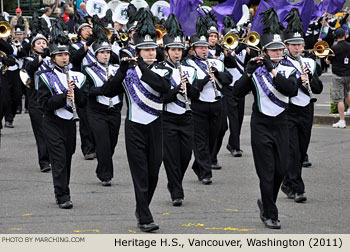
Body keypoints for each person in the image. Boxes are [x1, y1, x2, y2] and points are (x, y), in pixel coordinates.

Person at [102, 10, 171, 232]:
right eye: (146, 50)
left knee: (153, 172)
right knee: (140, 173)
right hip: (134, 127)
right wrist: (122, 70)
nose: (150, 52)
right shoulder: (127, 71)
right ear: (138, 51)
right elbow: (109, 91)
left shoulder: (163, 69)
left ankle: (143, 208)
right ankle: (144, 215)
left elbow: (162, 87)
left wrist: (140, 66)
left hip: (156, 126)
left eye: (152, 49)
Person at [233, 8, 299, 229]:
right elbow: (236, 92)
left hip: (282, 123)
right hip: (261, 124)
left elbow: (290, 90)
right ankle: (270, 213)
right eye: (273, 50)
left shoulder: (290, 69)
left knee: (281, 169)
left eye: (280, 49)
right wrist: (249, 72)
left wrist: (273, 71)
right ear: (264, 51)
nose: (278, 52)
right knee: (267, 171)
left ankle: (267, 200)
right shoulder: (257, 71)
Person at [37, 23, 86, 209]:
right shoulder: (45, 77)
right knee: (58, 159)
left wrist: (76, 92)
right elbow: (44, 104)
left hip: (69, 123)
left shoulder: (77, 76)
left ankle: (64, 189)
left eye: (65, 54)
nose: (64, 58)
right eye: (60, 55)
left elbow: (83, 103)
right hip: (52, 122)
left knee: (67, 157)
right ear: (53, 58)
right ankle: (62, 195)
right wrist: (63, 96)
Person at [280, 8, 323, 203]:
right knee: (293, 150)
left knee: (302, 148)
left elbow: (319, 88)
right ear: (287, 46)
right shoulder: (280, 64)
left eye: (300, 44)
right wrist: (298, 79)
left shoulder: (309, 62)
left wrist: (310, 78)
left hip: (306, 108)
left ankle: (288, 182)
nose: (298, 48)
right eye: (294, 45)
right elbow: (285, 88)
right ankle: (297, 187)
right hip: (289, 110)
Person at [186, 16, 232, 184]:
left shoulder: (216, 63)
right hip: (198, 106)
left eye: (206, 47)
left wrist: (217, 74)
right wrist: (205, 78)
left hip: (216, 104)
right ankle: (205, 172)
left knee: (215, 136)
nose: (204, 50)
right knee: (200, 140)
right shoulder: (188, 65)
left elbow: (228, 80)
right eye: (200, 47)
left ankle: (200, 164)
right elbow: (191, 88)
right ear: (193, 49)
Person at [161, 14, 199, 206]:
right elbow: (162, 98)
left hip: (186, 116)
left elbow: (197, 95)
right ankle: (176, 190)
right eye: (173, 50)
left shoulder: (189, 69)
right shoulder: (160, 70)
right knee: (170, 156)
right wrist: (176, 89)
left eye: (179, 50)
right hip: (167, 117)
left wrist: (188, 87)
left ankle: (175, 182)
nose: (177, 53)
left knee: (185, 155)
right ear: (166, 51)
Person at [83, 27, 122, 186]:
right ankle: (106, 175)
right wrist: (104, 90)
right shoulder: (88, 70)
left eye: (108, 52)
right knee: (103, 142)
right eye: (102, 52)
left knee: (111, 143)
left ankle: (102, 165)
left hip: (115, 111)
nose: (105, 55)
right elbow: (86, 90)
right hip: (96, 111)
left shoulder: (117, 69)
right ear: (96, 54)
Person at [326, 27, 350, 128]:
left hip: (338, 75)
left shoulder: (334, 48)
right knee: (346, 94)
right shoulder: (349, 46)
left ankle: (342, 120)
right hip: (348, 74)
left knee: (339, 98)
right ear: (345, 35)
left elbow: (328, 61)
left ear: (336, 37)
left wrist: (327, 61)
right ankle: (349, 110)